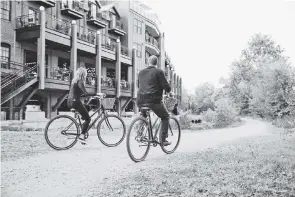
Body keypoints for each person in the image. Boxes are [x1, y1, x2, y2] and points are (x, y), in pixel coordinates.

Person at [137, 55, 173, 146]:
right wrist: (169, 92)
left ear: (148, 62)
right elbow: (165, 85)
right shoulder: (158, 71)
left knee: (143, 115)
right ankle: (163, 140)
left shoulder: (141, 72)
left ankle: (139, 134)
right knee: (165, 117)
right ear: (156, 63)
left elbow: (139, 85)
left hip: (140, 100)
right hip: (154, 100)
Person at [67, 67, 97, 144]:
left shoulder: (74, 81)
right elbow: (86, 93)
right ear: (84, 74)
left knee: (88, 107)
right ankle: (82, 136)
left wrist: (89, 96)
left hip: (69, 102)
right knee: (88, 119)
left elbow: (80, 93)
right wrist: (96, 94)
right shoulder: (80, 81)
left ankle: (83, 124)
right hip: (75, 102)